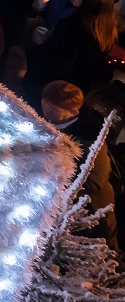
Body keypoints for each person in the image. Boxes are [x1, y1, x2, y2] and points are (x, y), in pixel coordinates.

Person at [40, 82, 118, 252]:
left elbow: (95, 181)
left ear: (74, 111)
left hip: (91, 211)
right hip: (63, 207)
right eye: (44, 105)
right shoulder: (47, 123)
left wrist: (53, 177)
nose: (46, 111)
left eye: (54, 110)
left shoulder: (90, 137)